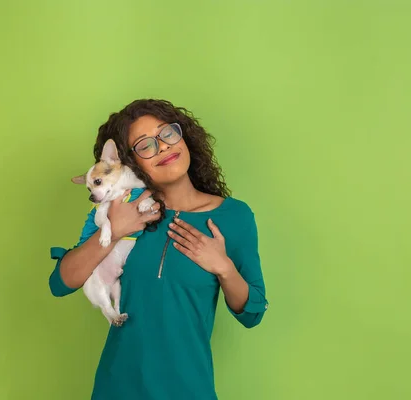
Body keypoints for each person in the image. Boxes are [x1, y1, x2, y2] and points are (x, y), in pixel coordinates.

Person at [48, 99, 269, 400]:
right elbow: (61, 283)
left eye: (167, 134)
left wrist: (224, 267)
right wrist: (115, 232)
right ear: (130, 163)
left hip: (189, 389)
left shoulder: (234, 217)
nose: (162, 146)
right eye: (144, 145)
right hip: (116, 389)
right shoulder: (116, 209)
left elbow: (252, 312)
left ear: (185, 138)